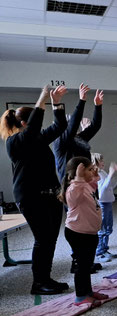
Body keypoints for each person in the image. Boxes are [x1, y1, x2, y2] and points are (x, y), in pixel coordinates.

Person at [1, 85, 69, 295]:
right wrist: (43, 97)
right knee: (43, 239)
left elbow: (59, 126)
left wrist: (56, 104)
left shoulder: (38, 139)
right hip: (31, 198)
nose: (39, 127)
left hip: (50, 196)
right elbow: (33, 127)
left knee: (50, 239)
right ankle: (38, 283)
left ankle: (46, 278)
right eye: (33, 123)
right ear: (24, 123)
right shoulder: (14, 142)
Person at [59, 156, 109, 306]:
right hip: (77, 233)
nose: (92, 171)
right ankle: (80, 296)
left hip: (89, 233)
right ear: (79, 172)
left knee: (87, 265)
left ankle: (88, 292)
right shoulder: (73, 188)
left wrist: (94, 173)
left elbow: (95, 182)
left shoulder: (85, 185)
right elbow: (73, 198)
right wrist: (79, 177)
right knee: (82, 266)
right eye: (89, 169)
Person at [54, 83, 103, 181]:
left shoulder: (79, 138)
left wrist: (98, 106)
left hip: (86, 180)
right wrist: (82, 101)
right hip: (70, 183)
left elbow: (95, 126)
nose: (77, 128)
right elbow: (73, 125)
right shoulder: (60, 141)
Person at [92, 153, 117, 263]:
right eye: (101, 160)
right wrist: (110, 175)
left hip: (108, 203)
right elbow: (102, 191)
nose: (103, 162)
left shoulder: (103, 172)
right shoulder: (96, 175)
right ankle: (99, 252)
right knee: (102, 229)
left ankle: (104, 249)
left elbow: (111, 185)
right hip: (102, 203)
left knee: (108, 228)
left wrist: (115, 175)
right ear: (95, 162)